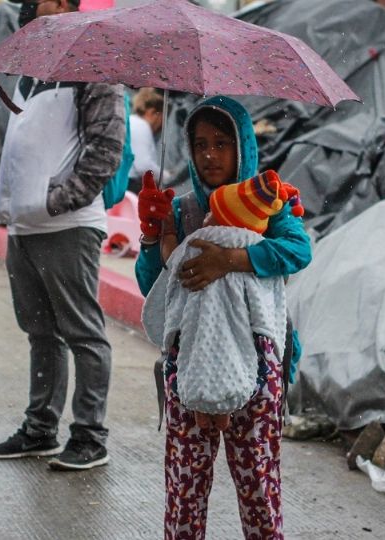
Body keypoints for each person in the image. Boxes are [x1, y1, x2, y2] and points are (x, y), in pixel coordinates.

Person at [135, 96, 312, 539]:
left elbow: (297, 251)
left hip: (258, 364)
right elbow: (151, 285)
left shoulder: (269, 202)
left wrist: (230, 258)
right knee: (185, 490)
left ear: (243, 147)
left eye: (221, 143)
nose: (209, 155)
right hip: (189, 365)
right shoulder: (181, 210)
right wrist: (151, 235)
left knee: (258, 488)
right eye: (199, 145)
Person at [0, 0, 126, 471]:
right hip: (23, 225)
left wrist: (58, 199)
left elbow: (107, 147)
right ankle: (40, 428)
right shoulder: (32, 67)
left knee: (82, 332)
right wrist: (4, 198)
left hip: (66, 226)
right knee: (41, 333)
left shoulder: (94, 66)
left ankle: (89, 435)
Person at [127, 87, 163, 193]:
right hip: (131, 185)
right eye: (161, 117)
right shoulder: (141, 126)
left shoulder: (132, 121)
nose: (161, 124)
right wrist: (164, 176)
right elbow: (143, 165)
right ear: (152, 112)